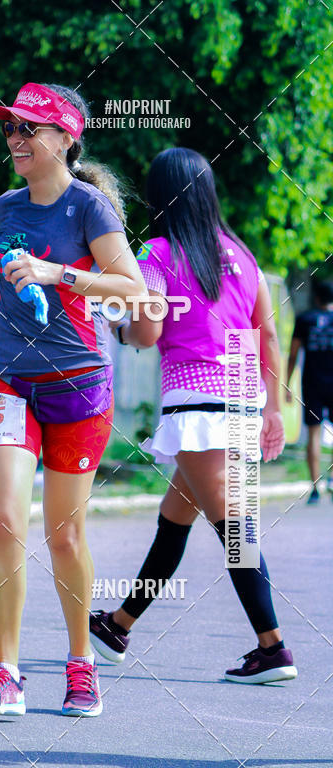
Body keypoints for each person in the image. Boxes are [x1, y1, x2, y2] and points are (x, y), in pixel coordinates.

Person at [0, 82, 150, 717]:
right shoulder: (6, 206)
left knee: (64, 535)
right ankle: (5, 673)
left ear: (65, 137)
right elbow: (11, 274)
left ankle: (82, 662)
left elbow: (134, 289)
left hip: (78, 384)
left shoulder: (89, 207)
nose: (15, 138)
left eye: (28, 128)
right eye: (9, 128)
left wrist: (59, 273)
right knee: (5, 518)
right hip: (7, 374)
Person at [90, 147, 298, 685]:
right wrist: (275, 409)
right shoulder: (242, 254)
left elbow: (148, 332)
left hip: (197, 399)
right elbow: (268, 336)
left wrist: (119, 328)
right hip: (242, 394)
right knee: (175, 519)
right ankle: (118, 625)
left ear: (161, 196)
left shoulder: (157, 253)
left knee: (234, 527)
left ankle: (272, 648)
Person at [285, 279, 333, 504]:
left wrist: (287, 383)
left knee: (313, 433)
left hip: (312, 384)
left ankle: (315, 487)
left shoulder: (305, 319)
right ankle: (331, 480)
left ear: (316, 298)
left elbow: (293, 354)